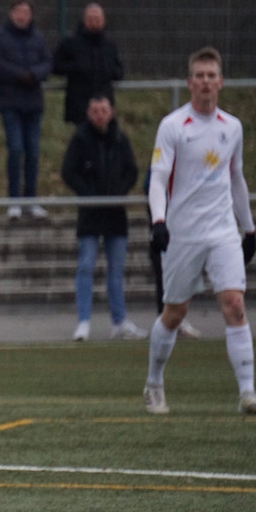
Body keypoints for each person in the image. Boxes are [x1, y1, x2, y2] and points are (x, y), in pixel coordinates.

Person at [144, 46, 256, 416]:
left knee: (235, 304)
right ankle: (153, 383)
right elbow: (158, 178)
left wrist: (249, 229)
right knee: (174, 313)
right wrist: (159, 221)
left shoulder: (232, 127)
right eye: (199, 76)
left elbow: (236, 178)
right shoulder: (173, 126)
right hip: (183, 233)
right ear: (189, 83)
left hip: (222, 231)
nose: (205, 82)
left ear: (221, 82)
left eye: (211, 76)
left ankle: (247, 393)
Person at [61, 95, 147, 342]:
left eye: (104, 110)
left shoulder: (120, 138)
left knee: (116, 269)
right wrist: (88, 194)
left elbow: (131, 171)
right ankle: (83, 321)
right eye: (95, 110)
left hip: (115, 212)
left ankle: (119, 321)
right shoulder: (80, 139)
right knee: (86, 265)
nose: (100, 115)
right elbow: (69, 171)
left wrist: (118, 193)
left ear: (111, 112)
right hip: (90, 212)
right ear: (88, 113)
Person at [0, 0, 52, 220]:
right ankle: (13, 201)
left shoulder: (38, 38)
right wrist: (18, 75)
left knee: (33, 152)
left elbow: (47, 63)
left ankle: (30, 201)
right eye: (18, 12)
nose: (22, 16)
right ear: (11, 13)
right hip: (10, 102)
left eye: (26, 12)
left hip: (33, 103)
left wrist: (34, 74)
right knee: (15, 149)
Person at [143, 166, 202, 339]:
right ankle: (165, 320)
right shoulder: (163, 159)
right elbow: (150, 185)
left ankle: (176, 318)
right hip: (165, 227)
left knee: (183, 273)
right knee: (164, 273)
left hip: (185, 225)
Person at [52, 3, 125, 125]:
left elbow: (119, 71)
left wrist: (108, 70)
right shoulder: (70, 43)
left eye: (98, 19)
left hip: (103, 106)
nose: (94, 22)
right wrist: (76, 68)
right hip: (79, 105)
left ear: (104, 21)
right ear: (84, 20)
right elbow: (55, 66)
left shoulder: (110, 45)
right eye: (91, 19)